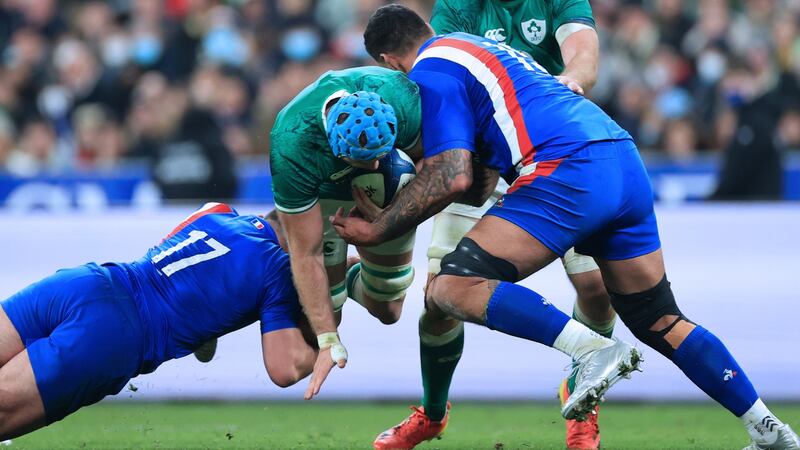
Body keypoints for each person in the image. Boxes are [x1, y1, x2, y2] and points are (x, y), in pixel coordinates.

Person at [332, 5, 800, 450]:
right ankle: (766, 426)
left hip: (567, 168)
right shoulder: (478, 50)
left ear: (389, 62)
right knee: (659, 318)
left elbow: (450, 174)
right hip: (619, 156)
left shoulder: (431, 73)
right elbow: (478, 184)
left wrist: (381, 228)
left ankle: (592, 351)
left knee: (451, 288)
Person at [420, 1, 610, 448]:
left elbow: (583, 50)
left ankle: (581, 399)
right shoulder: (458, 5)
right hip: (481, 159)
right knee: (436, 301)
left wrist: (573, 79)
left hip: (549, 153)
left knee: (598, 287)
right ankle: (432, 413)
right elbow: (444, 65)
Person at [0, 202, 328, 440]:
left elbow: (176, 267)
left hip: (87, 282)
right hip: (114, 336)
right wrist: (329, 332)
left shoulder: (216, 211)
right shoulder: (279, 270)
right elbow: (284, 370)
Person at [268, 68, 421, 367]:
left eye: (381, 154)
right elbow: (306, 253)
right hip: (322, 195)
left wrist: (394, 217)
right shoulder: (291, 144)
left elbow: (435, 165)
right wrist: (329, 340)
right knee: (324, 318)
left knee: (389, 310)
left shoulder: (402, 100)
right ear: (336, 149)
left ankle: (346, 275)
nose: (377, 164)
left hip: (390, 194)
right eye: (366, 160)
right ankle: (236, 299)